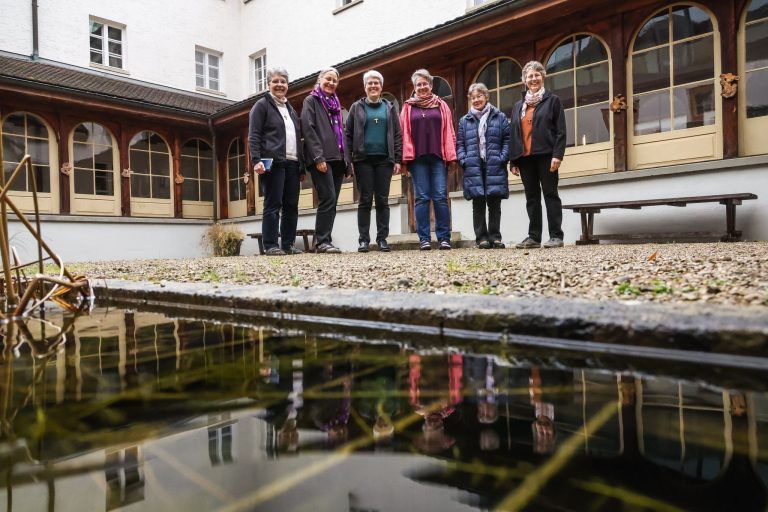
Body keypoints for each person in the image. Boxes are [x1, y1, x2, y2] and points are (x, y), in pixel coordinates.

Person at [509, 60, 567, 249]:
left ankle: (556, 236)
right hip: (525, 158)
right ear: (524, 80)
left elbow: (561, 131)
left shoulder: (553, 101)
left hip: (546, 155)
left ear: (543, 77)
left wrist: (557, 154)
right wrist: (513, 160)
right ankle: (534, 237)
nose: (533, 79)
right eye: (529, 76)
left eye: (536, 75)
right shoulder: (518, 106)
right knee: (532, 198)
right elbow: (514, 134)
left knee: (551, 194)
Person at [344, 70, 403, 253]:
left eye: (376, 82)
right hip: (363, 161)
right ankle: (363, 240)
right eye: (369, 83)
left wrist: (398, 159)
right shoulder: (356, 107)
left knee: (382, 200)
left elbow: (397, 134)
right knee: (365, 200)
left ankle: (382, 239)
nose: (373, 85)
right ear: (365, 87)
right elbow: (348, 134)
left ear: (381, 86)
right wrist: (349, 159)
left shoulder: (389, 107)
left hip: (385, 160)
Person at [248, 67, 304, 256]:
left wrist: (302, 167)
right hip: (273, 162)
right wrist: (256, 160)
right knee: (273, 204)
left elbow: (297, 138)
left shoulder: (290, 109)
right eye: (276, 81)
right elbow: (254, 135)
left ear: (287, 85)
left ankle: (288, 244)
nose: (280, 85)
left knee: (291, 205)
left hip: (293, 163)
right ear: (268, 85)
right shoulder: (261, 105)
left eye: (283, 82)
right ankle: (270, 244)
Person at [400, 69, 458, 251]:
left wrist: (452, 155)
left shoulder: (441, 105)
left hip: (438, 157)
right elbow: (402, 133)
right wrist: (403, 159)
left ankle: (444, 238)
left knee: (440, 197)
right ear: (414, 88)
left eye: (425, 83)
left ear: (431, 86)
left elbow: (450, 131)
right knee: (422, 198)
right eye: (419, 84)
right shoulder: (408, 107)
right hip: (417, 159)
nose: (422, 87)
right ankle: (424, 239)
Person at [456, 82, 510, 249]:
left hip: (494, 164)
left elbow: (508, 140)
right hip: (474, 165)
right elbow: (460, 144)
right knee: (478, 202)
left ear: (486, 97)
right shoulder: (464, 121)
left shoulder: (499, 117)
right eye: (473, 97)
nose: (476, 100)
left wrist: (502, 158)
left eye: (479, 96)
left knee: (494, 202)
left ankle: (495, 237)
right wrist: (464, 160)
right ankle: (481, 238)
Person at [301, 67, 349, 253]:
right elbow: (308, 129)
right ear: (319, 80)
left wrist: (347, 162)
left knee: (332, 200)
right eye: (328, 79)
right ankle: (322, 241)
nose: (331, 83)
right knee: (327, 197)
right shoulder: (311, 100)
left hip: (337, 158)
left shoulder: (336, 104)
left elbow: (342, 134)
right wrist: (318, 157)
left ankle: (323, 240)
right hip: (321, 158)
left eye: (334, 80)